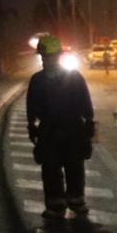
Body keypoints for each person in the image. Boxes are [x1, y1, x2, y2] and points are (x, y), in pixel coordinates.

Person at [25, 34, 95, 220]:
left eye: (51, 56)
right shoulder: (38, 80)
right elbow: (31, 106)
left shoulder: (73, 77)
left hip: (72, 128)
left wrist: (89, 122)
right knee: (51, 169)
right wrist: (32, 126)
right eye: (45, 57)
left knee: (74, 167)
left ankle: (76, 200)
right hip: (50, 130)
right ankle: (56, 204)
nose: (48, 60)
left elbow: (84, 101)